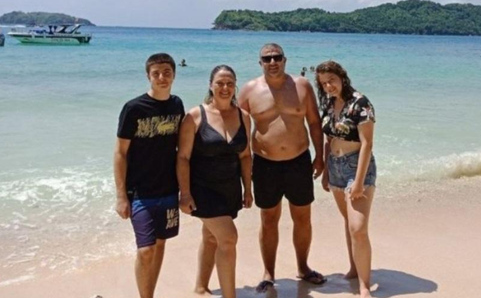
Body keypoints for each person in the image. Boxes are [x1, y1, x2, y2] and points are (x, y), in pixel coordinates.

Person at [237, 43, 326, 293]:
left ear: (285, 60)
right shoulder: (248, 90)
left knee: (303, 217)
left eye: (277, 57)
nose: (272, 62)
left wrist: (320, 156)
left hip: (299, 161)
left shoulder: (302, 86)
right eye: (267, 58)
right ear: (260, 63)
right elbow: (237, 131)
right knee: (268, 220)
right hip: (265, 164)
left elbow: (314, 122)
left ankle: (303, 267)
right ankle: (268, 273)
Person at [177, 65, 253, 298]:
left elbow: (245, 155)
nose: (225, 88)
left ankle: (201, 287)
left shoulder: (244, 116)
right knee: (228, 238)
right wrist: (185, 193)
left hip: (229, 189)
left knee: (211, 237)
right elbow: (183, 157)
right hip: (202, 189)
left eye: (230, 83)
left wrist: (248, 189)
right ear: (211, 85)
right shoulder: (195, 116)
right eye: (220, 83)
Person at [114, 53, 185, 298]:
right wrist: (121, 196)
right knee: (146, 250)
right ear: (148, 76)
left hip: (168, 190)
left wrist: (186, 191)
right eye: (156, 73)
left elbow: (182, 150)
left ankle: (150, 294)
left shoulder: (177, 105)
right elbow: (120, 153)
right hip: (140, 192)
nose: (162, 77)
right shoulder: (133, 108)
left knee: (161, 243)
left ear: (174, 75)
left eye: (166, 72)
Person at [315, 61, 377, 298]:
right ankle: (353, 267)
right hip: (336, 167)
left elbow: (367, 144)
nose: (328, 86)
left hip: (356, 167)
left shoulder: (360, 103)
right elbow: (328, 139)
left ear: (342, 77)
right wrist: (327, 172)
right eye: (323, 83)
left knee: (358, 228)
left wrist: (359, 181)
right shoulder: (329, 104)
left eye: (332, 80)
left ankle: (364, 286)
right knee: (348, 221)